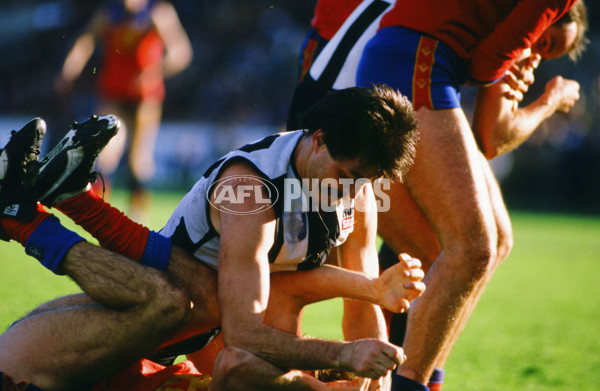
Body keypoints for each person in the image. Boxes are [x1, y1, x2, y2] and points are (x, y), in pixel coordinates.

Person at [0, 85, 423, 389]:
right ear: (319, 141)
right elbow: (243, 337)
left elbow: (352, 302)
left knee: (220, 312)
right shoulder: (251, 192)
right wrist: (343, 356)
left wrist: (375, 371)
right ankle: (39, 216)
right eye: (346, 177)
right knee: (205, 301)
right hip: (158, 312)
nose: (349, 192)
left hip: (183, 333)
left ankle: (69, 202)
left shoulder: (357, 186)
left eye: (363, 183)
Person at [288, 1, 587, 389]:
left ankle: (395, 376)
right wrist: (548, 100)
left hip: (376, 86)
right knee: (455, 252)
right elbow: (492, 128)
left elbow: (485, 134)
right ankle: (402, 380)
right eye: (542, 42)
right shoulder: (502, 28)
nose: (533, 53)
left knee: (486, 245)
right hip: (354, 107)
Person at [56, 0, 193, 222]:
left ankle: (137, 214)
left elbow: (181, 52)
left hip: (145, 97)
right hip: (113, 94)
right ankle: (100, 211)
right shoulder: (110, 13)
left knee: (138, 158)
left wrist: (156, 70)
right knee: (106, 155)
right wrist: (69, 69)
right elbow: (86, 40)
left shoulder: (158, 13)